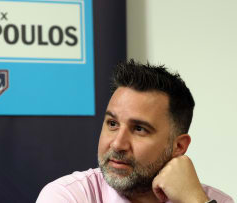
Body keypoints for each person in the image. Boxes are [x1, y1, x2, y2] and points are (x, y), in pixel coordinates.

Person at [36, 60, 234, 203]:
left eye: (139, 129)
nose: (117, 144)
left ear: (179, 146)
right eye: (112, 124)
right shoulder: (69, 196)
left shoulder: (213, 200)